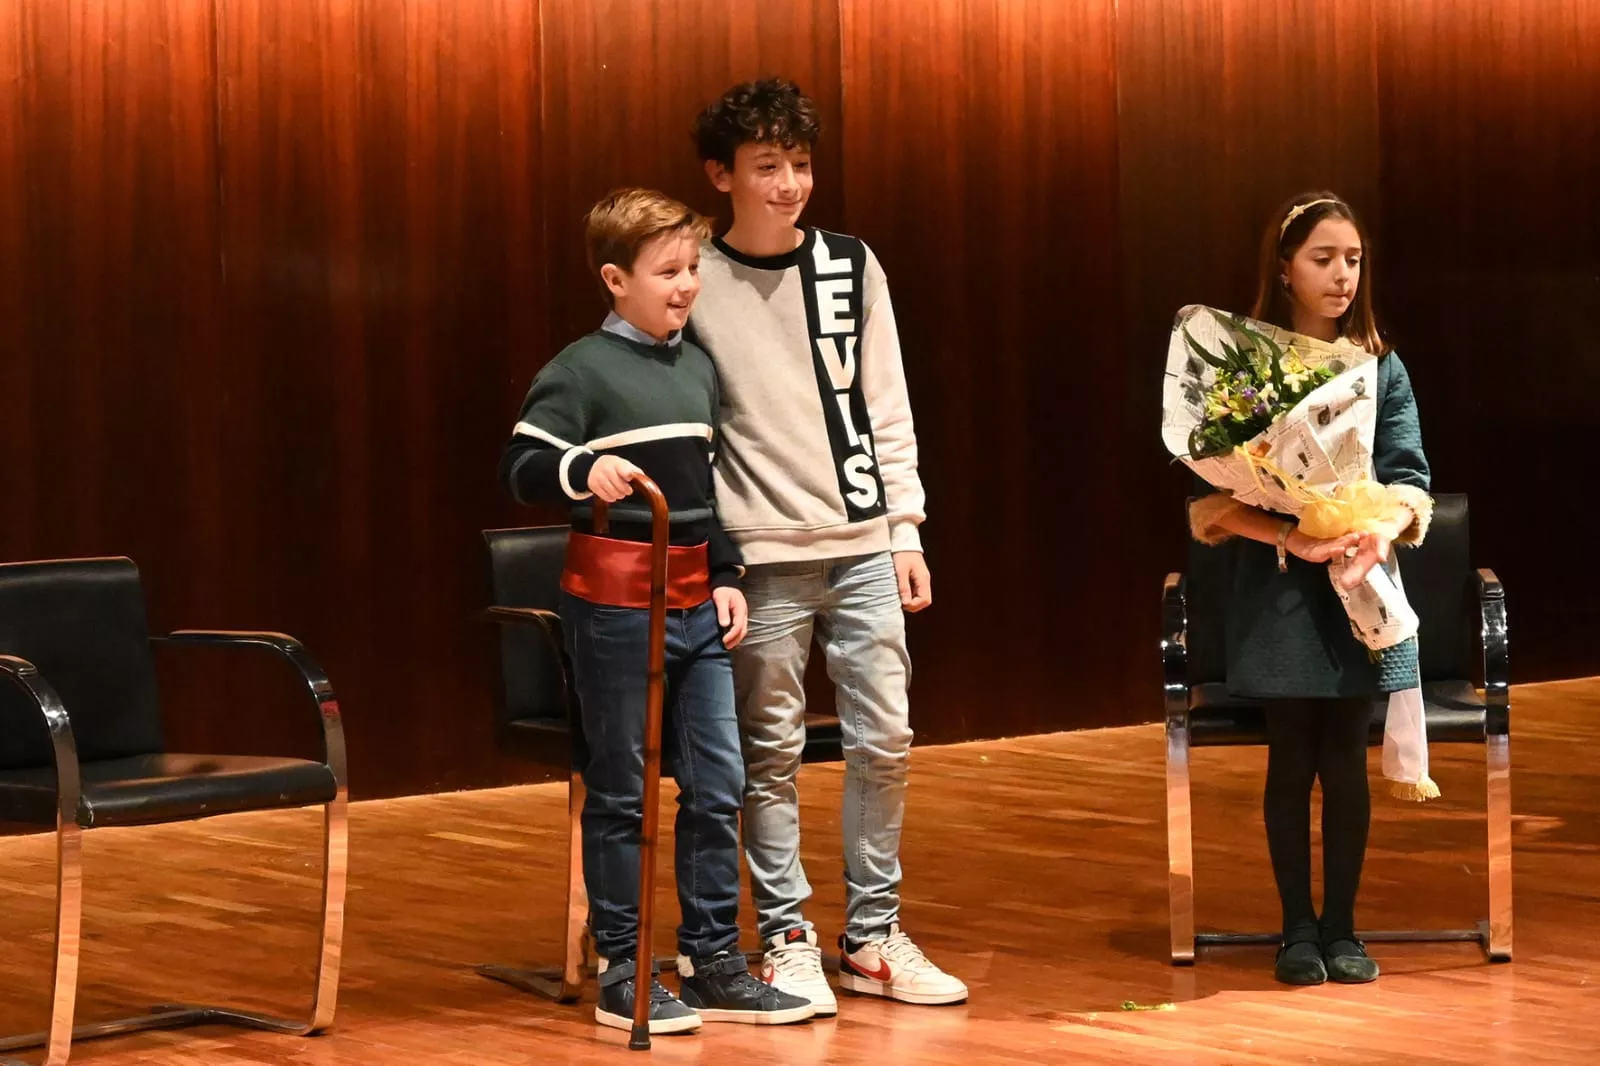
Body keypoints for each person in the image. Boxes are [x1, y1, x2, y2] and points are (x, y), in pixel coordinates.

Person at [499, 188, 815, 1032]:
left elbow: (704, 492)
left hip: (694, 604)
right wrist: (578, 472)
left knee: (718, 781)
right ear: (615, 279)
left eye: (692, 270)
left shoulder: (697, 367)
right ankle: (623, 967)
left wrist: (727, 574)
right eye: (668, 271)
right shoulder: (580, 370)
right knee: (625, 789)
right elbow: (523, 462)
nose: (686, 286)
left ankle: (714, 958)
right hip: (614, 608)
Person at [687, 78, 968, 1013]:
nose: (789, 184)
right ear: (721, 175)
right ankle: (786, 935)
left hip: (861, 544)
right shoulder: (694, 274)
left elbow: (886, 402)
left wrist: (905, 527)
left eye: (800, 164)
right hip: (759, 555)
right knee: (767, 756)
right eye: (767, 167)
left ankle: (875, 933)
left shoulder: (851, 264)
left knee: (885, 739)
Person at [1188, 192, 1434, 986]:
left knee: (1347, 762)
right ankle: (1297, 929)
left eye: (1353, 260)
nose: (1342, 276)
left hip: (1358, 582)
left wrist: (1376, 534)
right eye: (1324, 259)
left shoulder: (1380, 363)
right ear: (1285, 268)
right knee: (1291, 759)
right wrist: (1295, 534)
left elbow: (1410, 478)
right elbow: (1214, 499)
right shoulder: (1247, 363)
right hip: (1281, 582)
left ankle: (1344, 929)